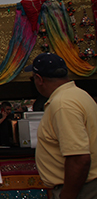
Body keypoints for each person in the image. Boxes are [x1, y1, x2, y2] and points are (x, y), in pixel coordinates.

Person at [26, 52, 97, 198]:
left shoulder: (62, 104)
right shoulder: (79, 94)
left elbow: (79, 158)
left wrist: (67, 195)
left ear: (39, 79)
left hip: (81, 188)